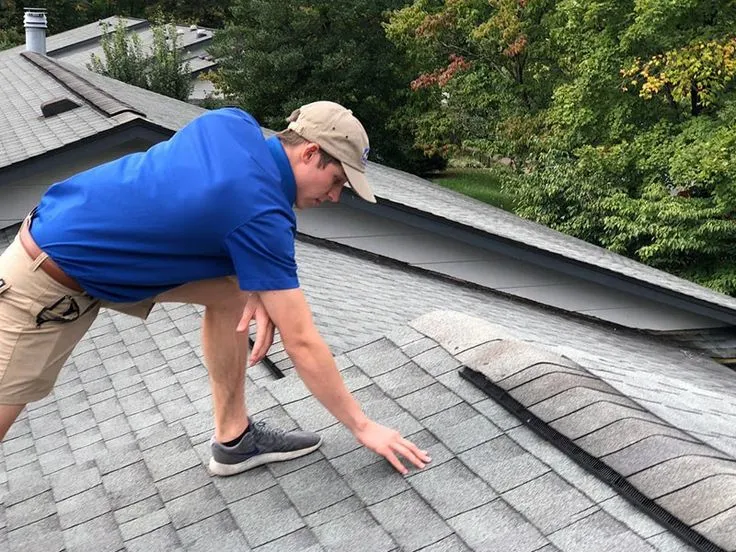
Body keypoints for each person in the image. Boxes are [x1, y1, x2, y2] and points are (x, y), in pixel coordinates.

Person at [0, 101, 431, 476]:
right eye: (337, 180)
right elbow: (301, 340)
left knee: (235, 294)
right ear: (311, 152)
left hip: (95, 250)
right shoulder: (261, 214)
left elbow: (206, 201)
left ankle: (233, 438)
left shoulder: (233, 122)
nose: (336, 196)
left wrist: (255, 287)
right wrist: (363, 426)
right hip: (44, 283)